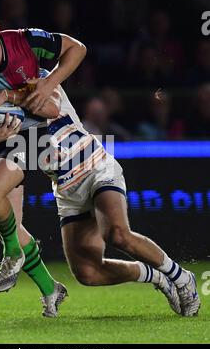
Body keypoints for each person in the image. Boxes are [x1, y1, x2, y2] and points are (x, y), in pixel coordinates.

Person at [18, 70, 200, 317]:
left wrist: (6, 101)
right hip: (67, 189)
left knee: (116, 234)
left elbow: (48, 107)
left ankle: (181, 277)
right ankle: (156, 276)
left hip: (95, 167)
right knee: (87, 273)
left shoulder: (36, 75)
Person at [0, 0, 86, 317]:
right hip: (0, 139)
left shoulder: (25, 40)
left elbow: (77, 48)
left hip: (38, 131)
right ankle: (52, 290)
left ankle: (13, 255)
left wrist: (49, 81)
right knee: (5, 223)